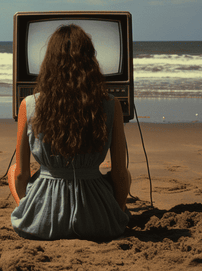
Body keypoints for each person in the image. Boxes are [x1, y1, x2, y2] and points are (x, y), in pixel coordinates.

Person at [8, 24, 131, 240]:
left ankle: (31, 213)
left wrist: (26, 206)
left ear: (49, 62)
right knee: (124, 174)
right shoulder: (112, 105)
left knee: (12, 170)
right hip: (98, 221)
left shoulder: (28, 105)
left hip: (44, 224)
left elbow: (21, 175)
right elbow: (120, 174)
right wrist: (117, 213)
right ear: (90, 61)